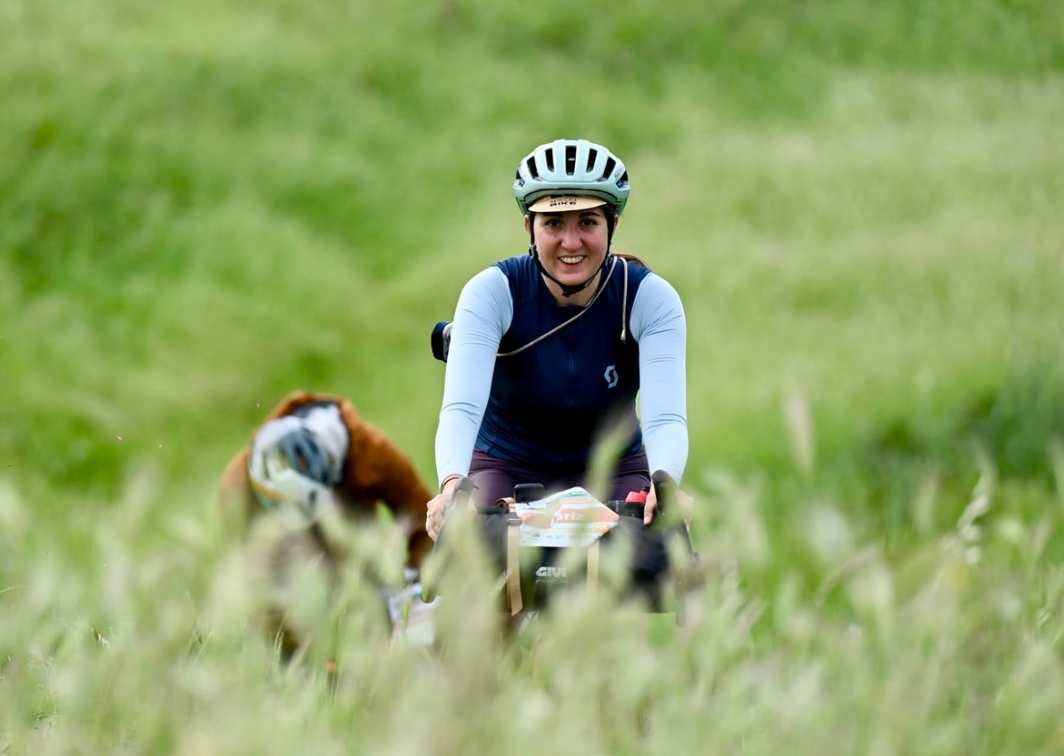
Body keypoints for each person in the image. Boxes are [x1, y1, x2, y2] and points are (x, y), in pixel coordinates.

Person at [426, 138, 687, 541]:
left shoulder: (649, 298)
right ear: (528, 227)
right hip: (506, 463)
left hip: (612, 468)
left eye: (587, 222)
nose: (570, 242)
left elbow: (665, 416)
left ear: (612, 225)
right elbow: (461, 408)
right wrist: (451, 484)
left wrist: (664, 481)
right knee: (468, 555)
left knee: (661, 557)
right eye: (553, 223)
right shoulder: (491, 292)